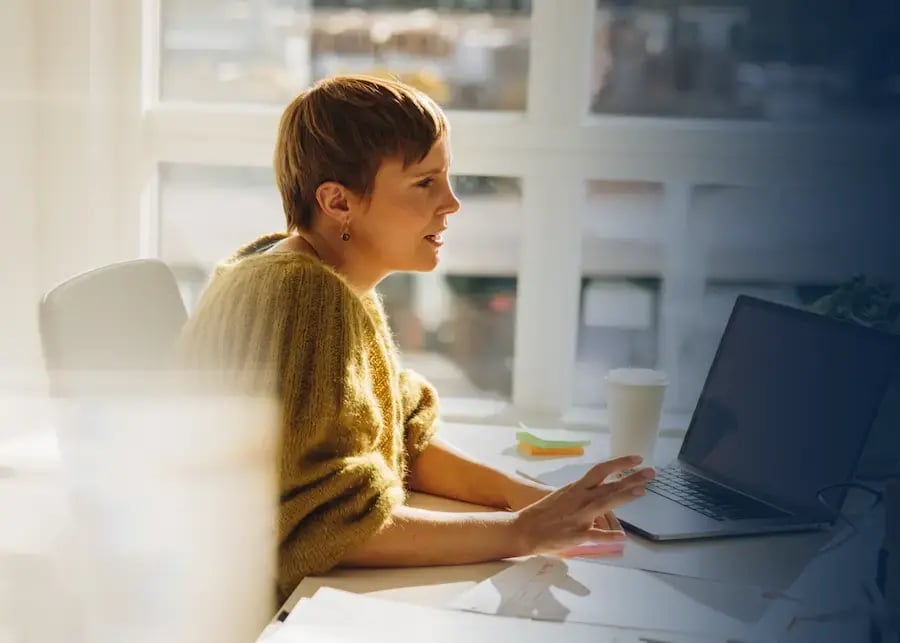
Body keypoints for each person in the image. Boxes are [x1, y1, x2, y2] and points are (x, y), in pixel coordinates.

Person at [178, 75, 655, 602]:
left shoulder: (315, 273)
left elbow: (402, 435)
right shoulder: (306, 296)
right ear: (338, 202)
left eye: (446, 179)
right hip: (261, 614)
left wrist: (529, 498)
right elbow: (319, 530)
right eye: (425, 184)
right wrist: (521, 532)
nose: (451, 203)